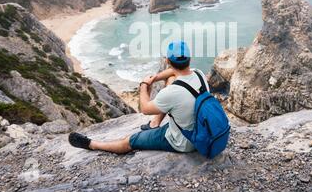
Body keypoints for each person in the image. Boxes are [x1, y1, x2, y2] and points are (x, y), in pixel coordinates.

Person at [68, 40, 209, 154]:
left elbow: (145, 108)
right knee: (171, 82)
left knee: (130, 141)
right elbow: (174, 72)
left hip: (184, 142)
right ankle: (154, 123)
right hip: (203, 133)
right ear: (190, 59)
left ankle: (93, 145)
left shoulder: (171, 92)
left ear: (167, 61)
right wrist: (154, 78)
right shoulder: (199, 74)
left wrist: (143, 85)